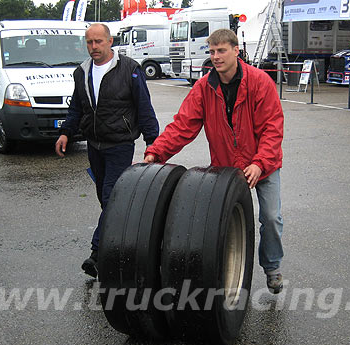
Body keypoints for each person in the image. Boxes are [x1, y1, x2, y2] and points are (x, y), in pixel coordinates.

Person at [144, 29, 285, 294]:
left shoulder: (260, 82)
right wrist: (157, 152)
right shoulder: (204, 87)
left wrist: (260, 163)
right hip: (226, 167)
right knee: (220, 224)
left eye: (221, 51)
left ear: (236, 51)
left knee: (271, 217)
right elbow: (183, 125)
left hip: (262, 166)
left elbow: (272, 128)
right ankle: (224, 274)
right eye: (211, 51)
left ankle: (272, 267)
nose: (216, 57)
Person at [56, 23, 159, 278]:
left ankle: (97, 255)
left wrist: (153, 143)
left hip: (120, 145)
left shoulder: (130, 70)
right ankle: (125, 240)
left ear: (110, 41)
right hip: (94, 145)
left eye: (98, 42)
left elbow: (144, 107)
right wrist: (66, 132)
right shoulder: (81, 72)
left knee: (112, 195)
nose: (94, 47)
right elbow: (77, 107)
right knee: (106, 199)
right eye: (89, 42)